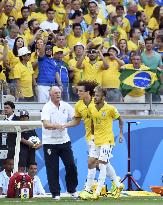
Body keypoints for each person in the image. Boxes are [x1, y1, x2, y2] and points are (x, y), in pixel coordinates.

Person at [80, 85, 124, 200]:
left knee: (102, 164)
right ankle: (118, 184)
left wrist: (120, 134)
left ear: (103, 97)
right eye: (94, 95)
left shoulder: (110, 109)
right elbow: (93, 123)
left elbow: (120, 120)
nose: (95, 97)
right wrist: (93, 136)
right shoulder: (91, 108)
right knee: (90, 161)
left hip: (107, 140)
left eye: (97, 95)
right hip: (96, 140)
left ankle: (97, 191)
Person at [41, 86, 78, 200]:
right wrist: (56, 126)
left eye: (59, 92)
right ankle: (55, 193)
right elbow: (46, 124)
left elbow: (76, 120)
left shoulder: (66, 106)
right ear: (50, 95)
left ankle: (72, 190)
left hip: (64, 141)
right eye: (55, 93)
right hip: (50, 142)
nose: (58, 94)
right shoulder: (46, 107)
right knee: (52, 168)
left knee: (71, 165)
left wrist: (66, 125)